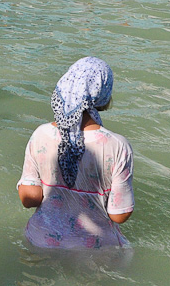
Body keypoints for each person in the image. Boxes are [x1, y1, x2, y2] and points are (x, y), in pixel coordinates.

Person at [18, 57, 134, 249]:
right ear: (103, 94)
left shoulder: (41, 134)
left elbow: (29, 198)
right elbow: (119, 215)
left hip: (40, 242)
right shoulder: (118, 146)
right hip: (96, 248)